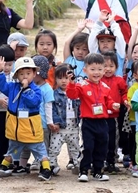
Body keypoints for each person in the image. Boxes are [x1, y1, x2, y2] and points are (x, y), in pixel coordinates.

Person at [0, 56, 54, 181]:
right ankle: (5, 165)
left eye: (28, 73)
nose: (25, 76)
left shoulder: (36, 90)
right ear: (16, 75)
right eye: (21, 74)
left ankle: (46, 168)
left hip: (31, 129)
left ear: (34, 73)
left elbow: (33, 102)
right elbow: (1, 85)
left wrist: (26, 89)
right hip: (15, 128)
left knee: (39, 149)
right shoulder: (12, 87)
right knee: (13, 147)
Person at [66, 53, 121, 182]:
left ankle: (98, 171)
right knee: (88, 147)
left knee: (102, 147)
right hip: (88, 122)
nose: (97, 72)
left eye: (100, 69)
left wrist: (113, 105)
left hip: (102, 122)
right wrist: (72, 83)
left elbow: (108, 101)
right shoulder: (82, 85)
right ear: (85, 70)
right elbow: (72, 95)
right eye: (93, 69)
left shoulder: (105, 87)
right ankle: (84, 170)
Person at [19, 55, 55, 172]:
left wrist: (49, 121)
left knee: (42, 145)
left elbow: (48, 106)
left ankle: (43, 165)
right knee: (25, 145)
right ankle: (22, 166)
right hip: (28, 122)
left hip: (42, 124)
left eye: (31, 72)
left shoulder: (47, 89)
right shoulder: (27, 86)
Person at [47, 64, 82, 174]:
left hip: (73, 127)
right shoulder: (54, 94)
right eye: (60, 78)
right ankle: (52, 165)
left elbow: (81, 107)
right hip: (60, 127)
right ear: (55, 79)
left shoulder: (77, 93)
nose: (63, 81)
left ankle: (77, 164)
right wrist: (55, 122)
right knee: (54, 147)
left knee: (75, 147)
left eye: (66, 78)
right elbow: (52, 109)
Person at [99, 51, 128, 174]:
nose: (108, 69)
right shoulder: (98, 80)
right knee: (100, 139)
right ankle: (100, 161)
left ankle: (111, 161)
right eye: (105, 66)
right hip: (100, 116)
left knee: (113, 140)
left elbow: (124, 93)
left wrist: (125, 100)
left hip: (114, 116)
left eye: (111, 66)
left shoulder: (119, 80)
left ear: (116, 67)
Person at [89, 10, 127, 76]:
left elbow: (120, 38)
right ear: (98, 43)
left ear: (115, 43)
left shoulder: (119, 55)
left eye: (109, 41)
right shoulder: (96, 55)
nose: (105, 43)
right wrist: (99, 22)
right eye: (102, 41)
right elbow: (92, 39)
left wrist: (112, 22)